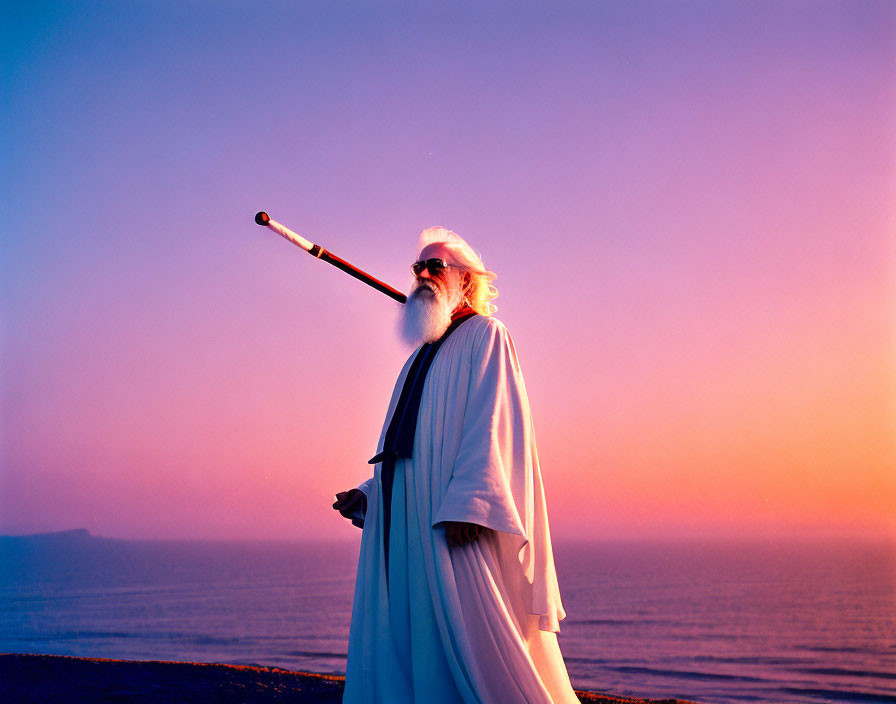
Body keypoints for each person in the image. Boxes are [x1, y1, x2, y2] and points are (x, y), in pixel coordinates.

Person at [332, 227, 579, 703]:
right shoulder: (419, 357)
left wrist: (473, 502)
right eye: (417, 269)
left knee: (473, 631)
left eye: (435, 267)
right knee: (415, 625)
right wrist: (372, 492)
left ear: (466, 281)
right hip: (409, 518)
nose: (422, 275)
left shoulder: (487, 335)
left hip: (455, 516)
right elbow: (410, 443)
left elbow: (494, 421)